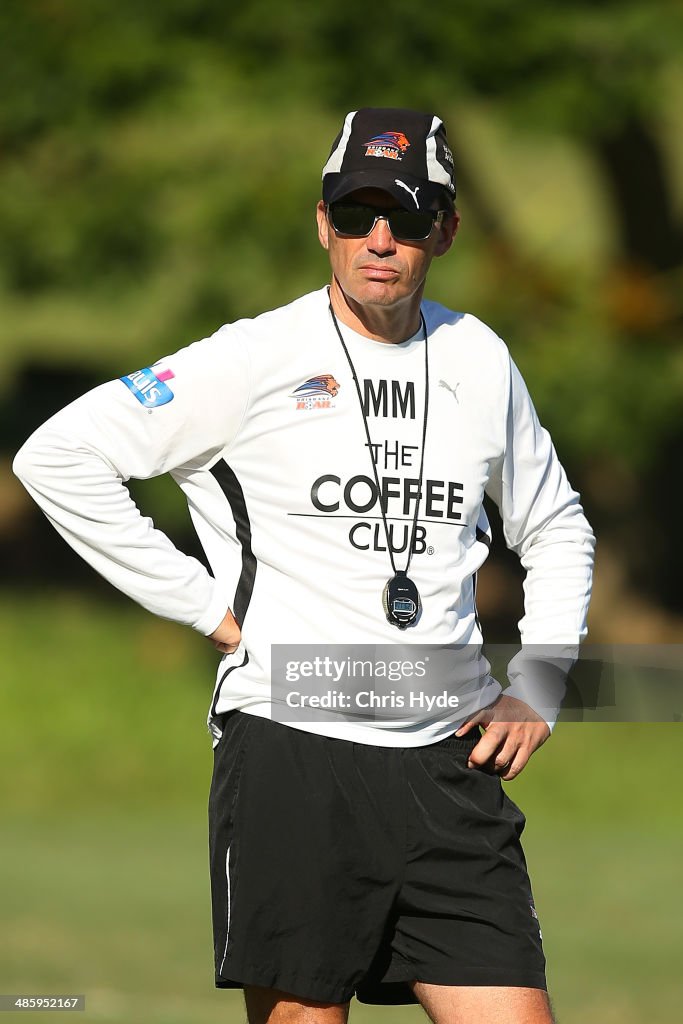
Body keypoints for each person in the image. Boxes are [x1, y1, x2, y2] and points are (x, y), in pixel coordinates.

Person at [13, 107, 595, 1024]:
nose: (379, 241)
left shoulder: (479, 357)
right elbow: (58, 458)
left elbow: (555, 524)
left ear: (443, 230)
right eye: (356, 213)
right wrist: (203, 606)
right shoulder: (251, 357)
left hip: (451, 767)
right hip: (293, 751)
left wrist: (542, 681)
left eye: (406, 220)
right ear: (321, 220)